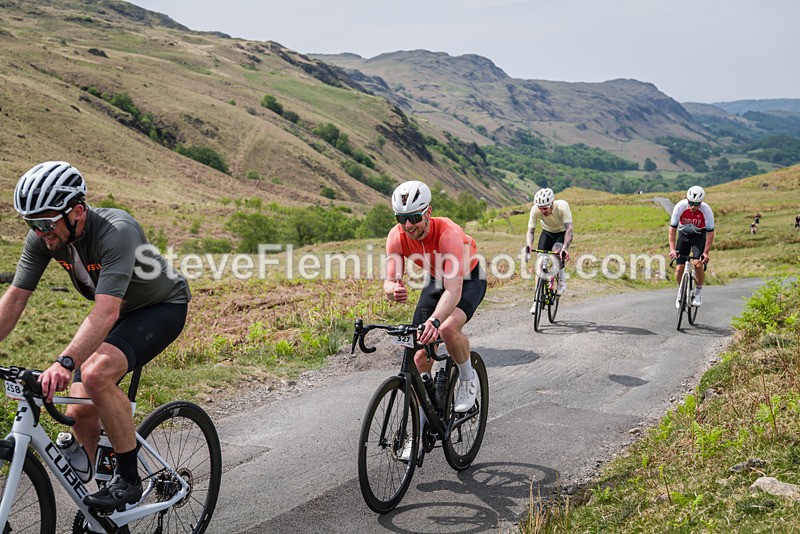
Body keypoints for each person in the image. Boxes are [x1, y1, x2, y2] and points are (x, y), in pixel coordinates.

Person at [0, 161, 191, 511]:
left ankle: (129, 480)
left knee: (95, 374)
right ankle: (98, 505)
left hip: (160, 307)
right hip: (117, 311)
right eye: (31, 223)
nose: (40, 232)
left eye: (45, 222)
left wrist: (63, 362)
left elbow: (106, 312)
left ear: (76, 211)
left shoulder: (117, 230)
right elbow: (14, 298)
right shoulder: (46, 236)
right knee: (81, 412)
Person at [384, 180, 486, 446]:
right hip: (436, 280)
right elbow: (389, 279)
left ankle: (466, 378)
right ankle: (421, 423)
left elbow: (453, 290)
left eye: (414, 218)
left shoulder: (448, 233)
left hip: (468, 279)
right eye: (402, 218)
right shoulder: (397, 235)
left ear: (428, 213)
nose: (408, 226)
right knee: (419, 357)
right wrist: (393, 288)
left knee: (448, 328)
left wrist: (435, 320)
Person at [525, 187, 573, 312]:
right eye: (540, 208)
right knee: (540, 264)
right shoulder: (535, 210)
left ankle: (561, 282)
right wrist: (529, 245)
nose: (542, 211)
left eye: (545, 208)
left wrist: (565, 248)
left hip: (562, 233)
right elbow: (530, 230)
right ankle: (536, 301)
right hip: (547, 232)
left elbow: (569, 229)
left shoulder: (562, 206)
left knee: (557, 251)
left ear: (552, 203)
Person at [669, 185, 715, 307]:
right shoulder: (680, 207)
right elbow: (672, 230)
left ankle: (699, 292)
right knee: (679, 268)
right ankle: (680, 292)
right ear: (687, 200)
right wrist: (672, 249)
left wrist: (706, 253)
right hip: (683, 236)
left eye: (697, 204)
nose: (693, 207)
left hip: (699, 237)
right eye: (691, 203)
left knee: (697, 264)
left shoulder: (706, 210)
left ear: (701, 203)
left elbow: (710, 234)